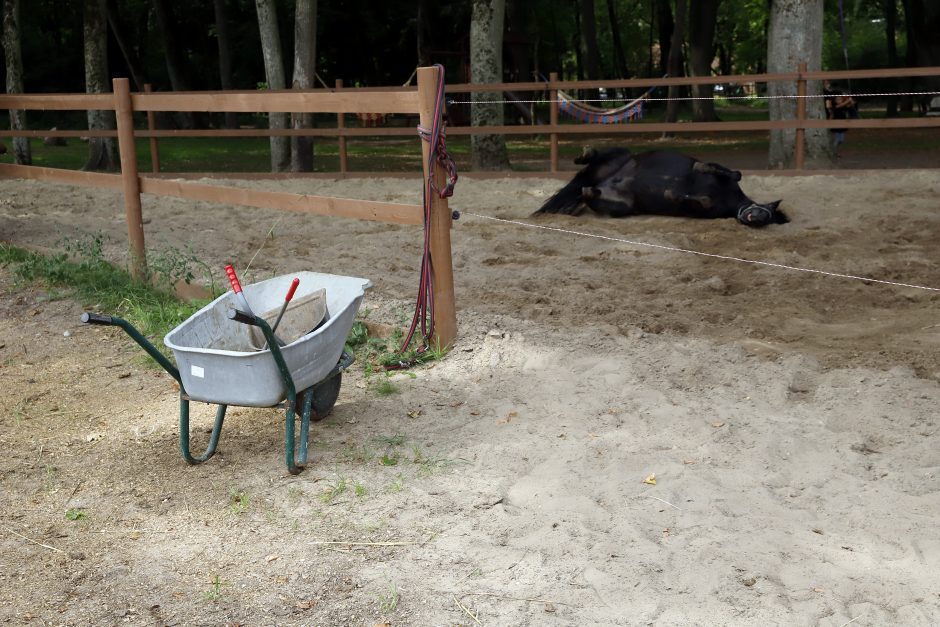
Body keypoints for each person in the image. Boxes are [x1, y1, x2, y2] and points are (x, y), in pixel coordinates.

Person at [824, 81, 857, 156]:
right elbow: (840, 106)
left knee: (841, 140)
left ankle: (835, 150)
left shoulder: (844, 106)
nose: (839, 100)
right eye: (837, 99)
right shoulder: (835, 107)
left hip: (842, 125)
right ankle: (834, 152)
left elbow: (850, 105)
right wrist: (847, 101)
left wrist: (851, 101)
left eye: (840, 99)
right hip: (836, 125)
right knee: (837, 139)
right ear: (835, 101)